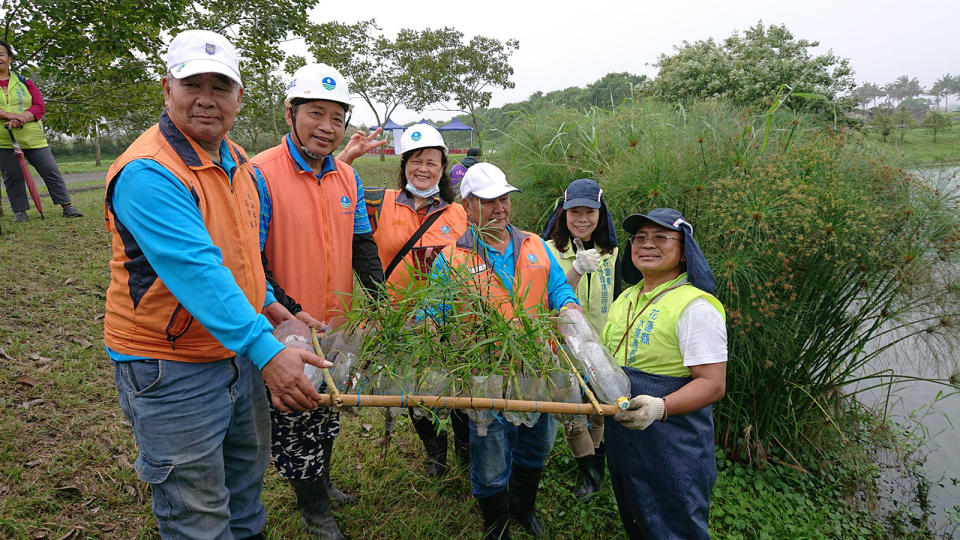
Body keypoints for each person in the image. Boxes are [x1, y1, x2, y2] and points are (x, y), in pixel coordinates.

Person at [103, 30, 329, 539]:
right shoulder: (149, 173)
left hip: (237, 350)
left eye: (220, 86)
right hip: (171, 365)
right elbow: (199, 273)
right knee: (197, 513)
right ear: (168, 90)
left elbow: (242, 256)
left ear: (238, 98)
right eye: (192, 84)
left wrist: (275, 312)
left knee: (245, 491)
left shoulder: (236, 161)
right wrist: (268, 351)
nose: (206, 98)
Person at [251, 62, 384, 540]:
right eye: (316, 113)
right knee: (297, 417)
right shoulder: (260, 174)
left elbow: (362, 244)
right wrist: (284, 303)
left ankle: (323, 484)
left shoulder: (346, 177)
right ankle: (314, 511)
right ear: (291, 113)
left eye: (337, 118)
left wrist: (381, 301)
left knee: (328, 406)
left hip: (338, 321)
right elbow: (249, 259)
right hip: (284, 324)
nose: (327, 127)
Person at [433, 162, 580, 539]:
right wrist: (425, 324)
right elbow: (433, 309)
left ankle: (524, 508)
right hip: (486, 373)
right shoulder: (452, 259)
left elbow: (557, 289)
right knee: (490, 454)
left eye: (504, 198)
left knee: (537, 443)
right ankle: (495, 526)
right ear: (467, 205)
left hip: (537, 366)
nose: (500, 208)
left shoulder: (535, 245)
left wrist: (569, 306)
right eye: (488, 201)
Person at [339, 123, 472, 477]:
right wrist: (347, 158)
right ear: (404, 166)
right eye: (415, 161)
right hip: (395, 319)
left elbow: (475, 262)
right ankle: (434, 451)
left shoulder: (458, 215)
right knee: (414, 387)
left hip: (448, 321)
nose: (423, 169)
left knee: (457, 385)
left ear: (443, 169)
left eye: (431, 162)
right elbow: (330, 198)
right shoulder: (377, 203)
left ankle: (465, 447)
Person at [601, 208, 727, 539]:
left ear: (684, 249)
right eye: (639, 237)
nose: (647, 244)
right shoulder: (626, 297)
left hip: (673, 440)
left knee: (675, 522)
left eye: (660, 237)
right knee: (637, 513)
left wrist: (661, 407)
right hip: (626, 434)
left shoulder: (696, 307)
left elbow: (712, 384)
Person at [540, 178, 622, 499]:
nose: (582, 218)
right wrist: (574, 268)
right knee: (571, 412)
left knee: (598, 407)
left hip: (599, 343)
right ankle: (588, 473)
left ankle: (596, 462)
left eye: (590, 211)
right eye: (575, 211)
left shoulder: (611, 252)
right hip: (561, 346)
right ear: (563, 213)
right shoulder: (548, 251)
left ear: (601, 214)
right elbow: (547, 301)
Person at [0, 39, 82, 221]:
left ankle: (67, 206)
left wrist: (23, 118)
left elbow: (39, 106)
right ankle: (20, 213)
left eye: (1, 54)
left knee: (50, 170)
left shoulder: (24, 82)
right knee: (12, 177)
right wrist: (8, 115)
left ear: (10, 58)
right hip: (3, 140)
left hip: (33, 138)